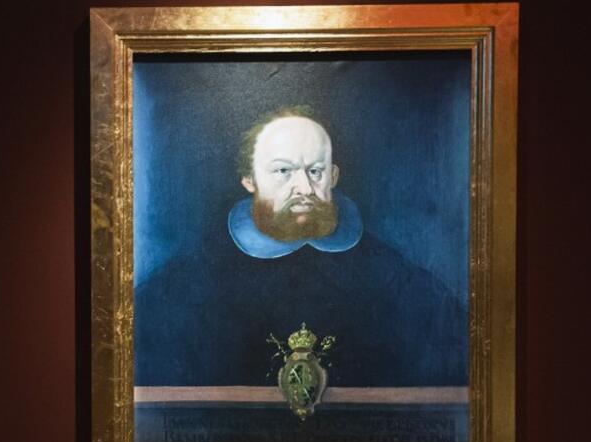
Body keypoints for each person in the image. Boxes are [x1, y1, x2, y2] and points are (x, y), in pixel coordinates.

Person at [134, 107, 468, 387]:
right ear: (249, 180)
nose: (304, 187)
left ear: (333, 176)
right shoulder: (191, 277)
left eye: (315, 171)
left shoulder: (390, 274)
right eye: (283, 171)